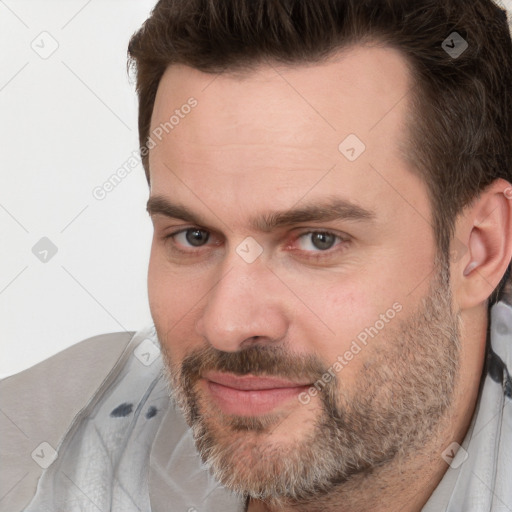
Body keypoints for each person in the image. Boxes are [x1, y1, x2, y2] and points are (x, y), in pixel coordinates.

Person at [1, 0, 512, 511]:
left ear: (479, 250)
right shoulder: (34, 460)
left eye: (318, 240)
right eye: (194, 237)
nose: (227, 324)